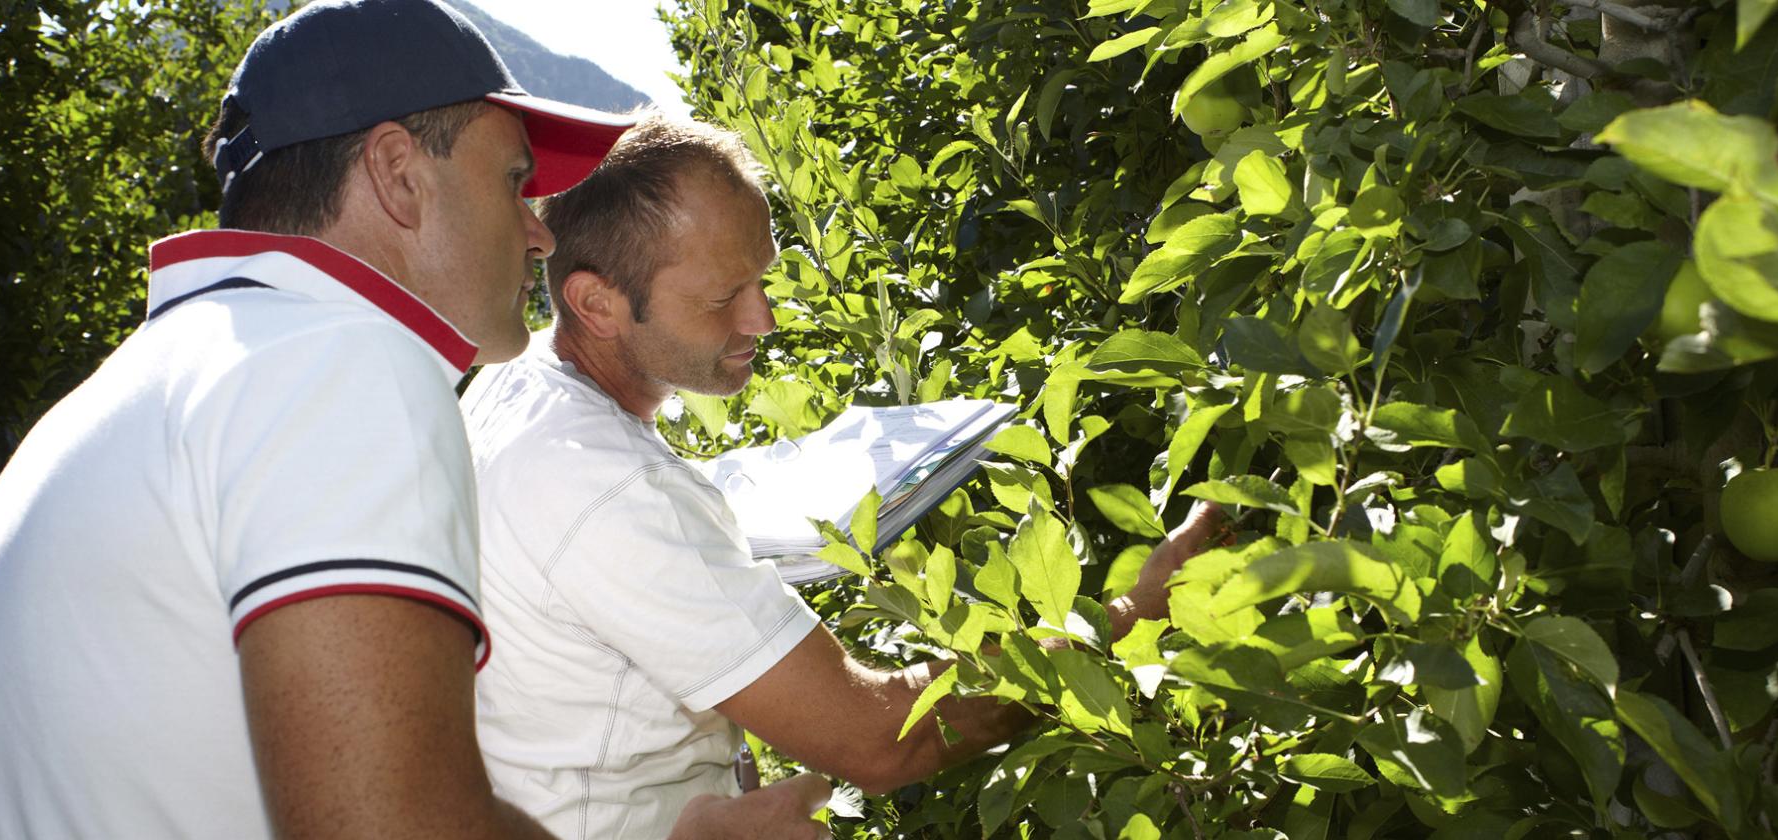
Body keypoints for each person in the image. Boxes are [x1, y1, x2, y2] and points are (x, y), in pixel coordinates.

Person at [0, 2, 829, 838]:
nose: (539, 234)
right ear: (399, 175)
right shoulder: (335, 362)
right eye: (514, 180)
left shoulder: (138, 388)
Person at [460, 114, 1226, 838]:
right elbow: (881, 740)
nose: (761, 319)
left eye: (761, 276)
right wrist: (1132, 614)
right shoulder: (608, 492)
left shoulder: (518, 380)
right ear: (595, 302)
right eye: (722, 296)